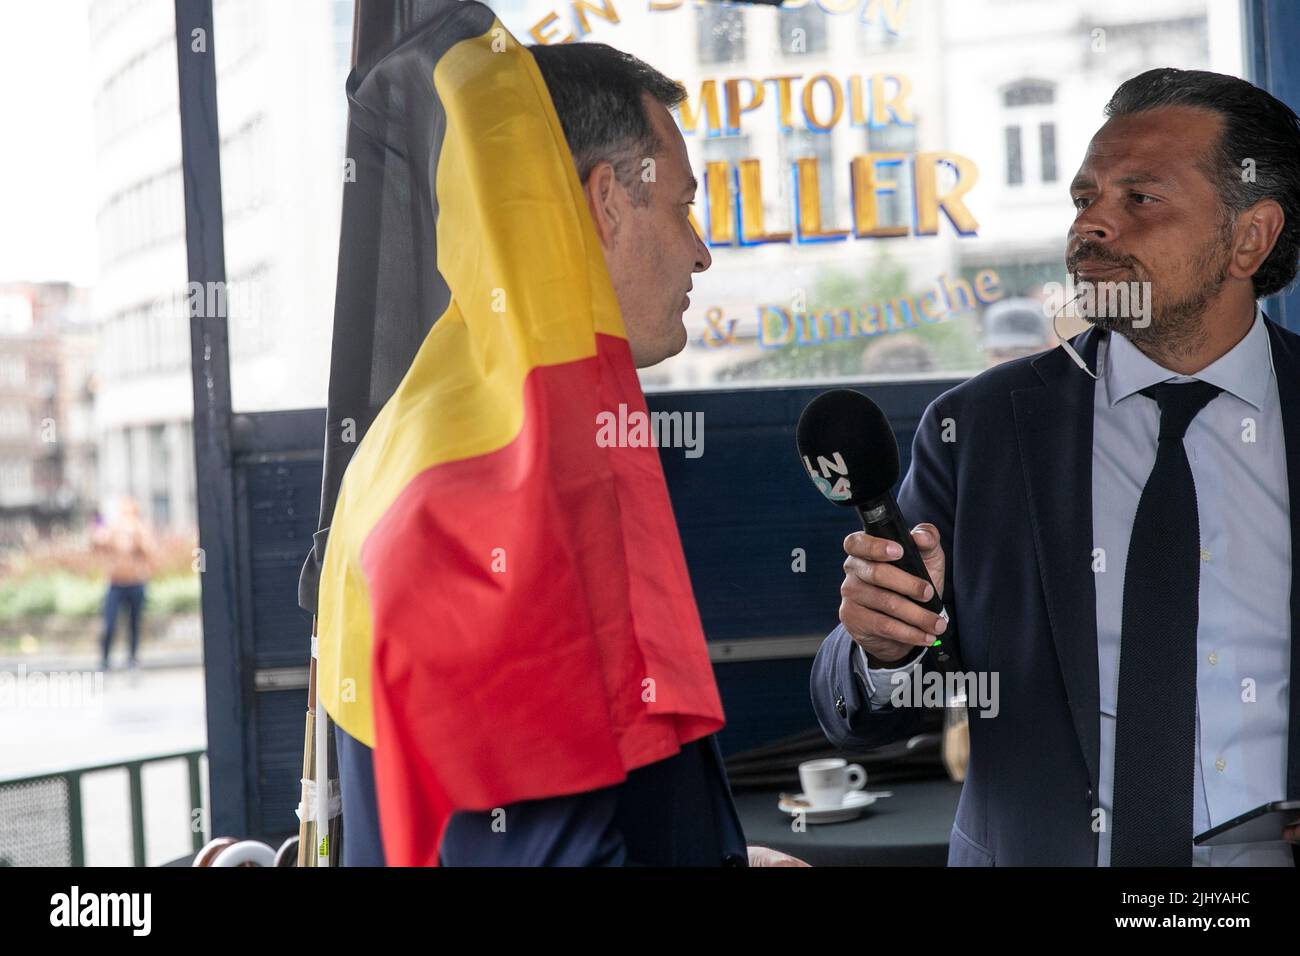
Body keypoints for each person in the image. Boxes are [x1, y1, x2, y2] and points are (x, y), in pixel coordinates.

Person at [333, 40, 806, 867]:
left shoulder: (444, 425)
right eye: (682, 207)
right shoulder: (504, 498)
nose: (700, 251)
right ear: (607, 204)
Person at [812, 67, 1300, 866]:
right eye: (1085, 198)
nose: (1092, 224)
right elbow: (865, 712)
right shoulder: (977, 430)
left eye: (1141, 198)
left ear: (1251, 237)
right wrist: (886, 649)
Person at [92, 497, 156, 671]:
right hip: (116, 583)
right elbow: (98, 544)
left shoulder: (140, 530)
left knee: (134, 623)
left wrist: (137, 538)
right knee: (109, 623)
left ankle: (132, 659)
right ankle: (105, 659)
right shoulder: (114, 530)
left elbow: (149, 552)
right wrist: (99, 528)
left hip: (136, 583)